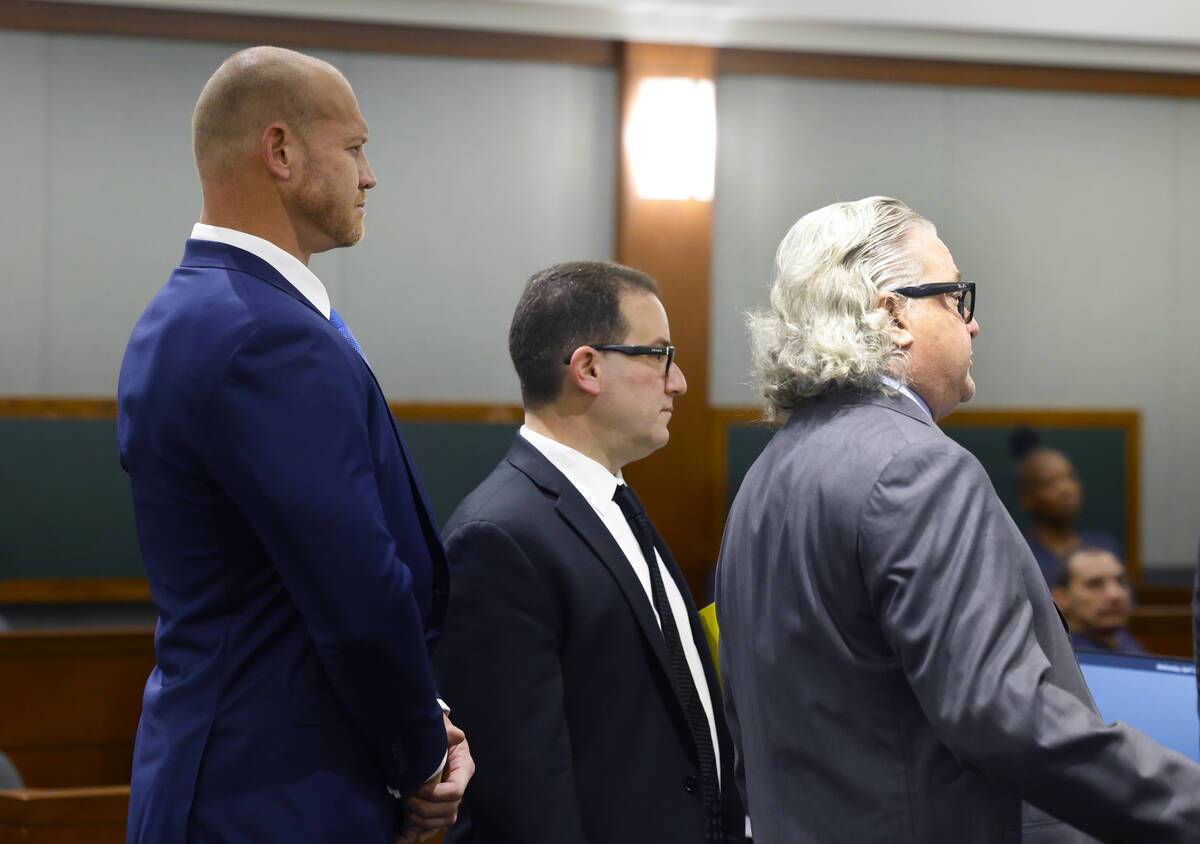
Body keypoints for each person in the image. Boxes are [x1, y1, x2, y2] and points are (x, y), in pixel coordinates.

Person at [715, 196, 1200, 842]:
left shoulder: (767, 475)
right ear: (893, 316)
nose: (973, 326)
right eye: (953, 298)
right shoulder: (917, 467)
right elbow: (1005, 715)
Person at [118, 46, 472, 843]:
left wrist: (426, 715)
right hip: (278, 798)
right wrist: (423, 756)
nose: (369, 175)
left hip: (222, 775)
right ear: (280, 151)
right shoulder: (265, 336)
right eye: (353, 148)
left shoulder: (188, 312)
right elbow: (357, 590)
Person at [433, 261, 745, 843]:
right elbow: (521, 799)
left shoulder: (615, 500)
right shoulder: (499, 537)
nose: (677, 381)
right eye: (659, 356)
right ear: (589, 367)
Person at [1016, 445, 1122, 584]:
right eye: (1049, 482)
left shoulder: (1105, 547)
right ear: (1026, 498)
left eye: (1071, 477)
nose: (1066, 489)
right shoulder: (1018, 554)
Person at [1051, 546, 1144, 654]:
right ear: (1059, 598)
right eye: (1095, 584)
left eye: (1121, 581)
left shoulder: (1124, 640)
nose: (1115, 594)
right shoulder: (1059, 658)